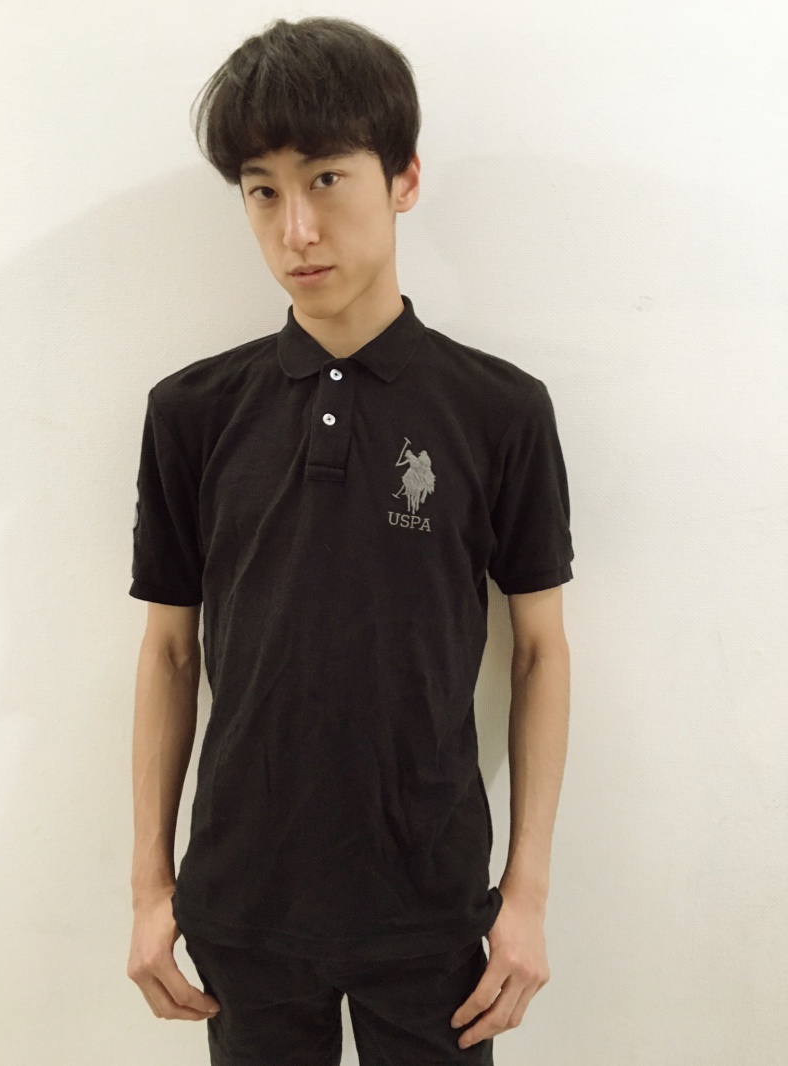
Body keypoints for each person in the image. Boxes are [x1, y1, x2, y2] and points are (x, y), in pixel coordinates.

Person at [126, 16, 574, 1066]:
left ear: (403, 177)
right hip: (241, 908)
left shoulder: (498, 411)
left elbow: (541, 652)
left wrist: (525, 897)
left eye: (326, 179)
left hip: (431, 909)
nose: (297, 230)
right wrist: (150, 889)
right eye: (262, 191)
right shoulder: (192, 413)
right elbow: (170, 652)